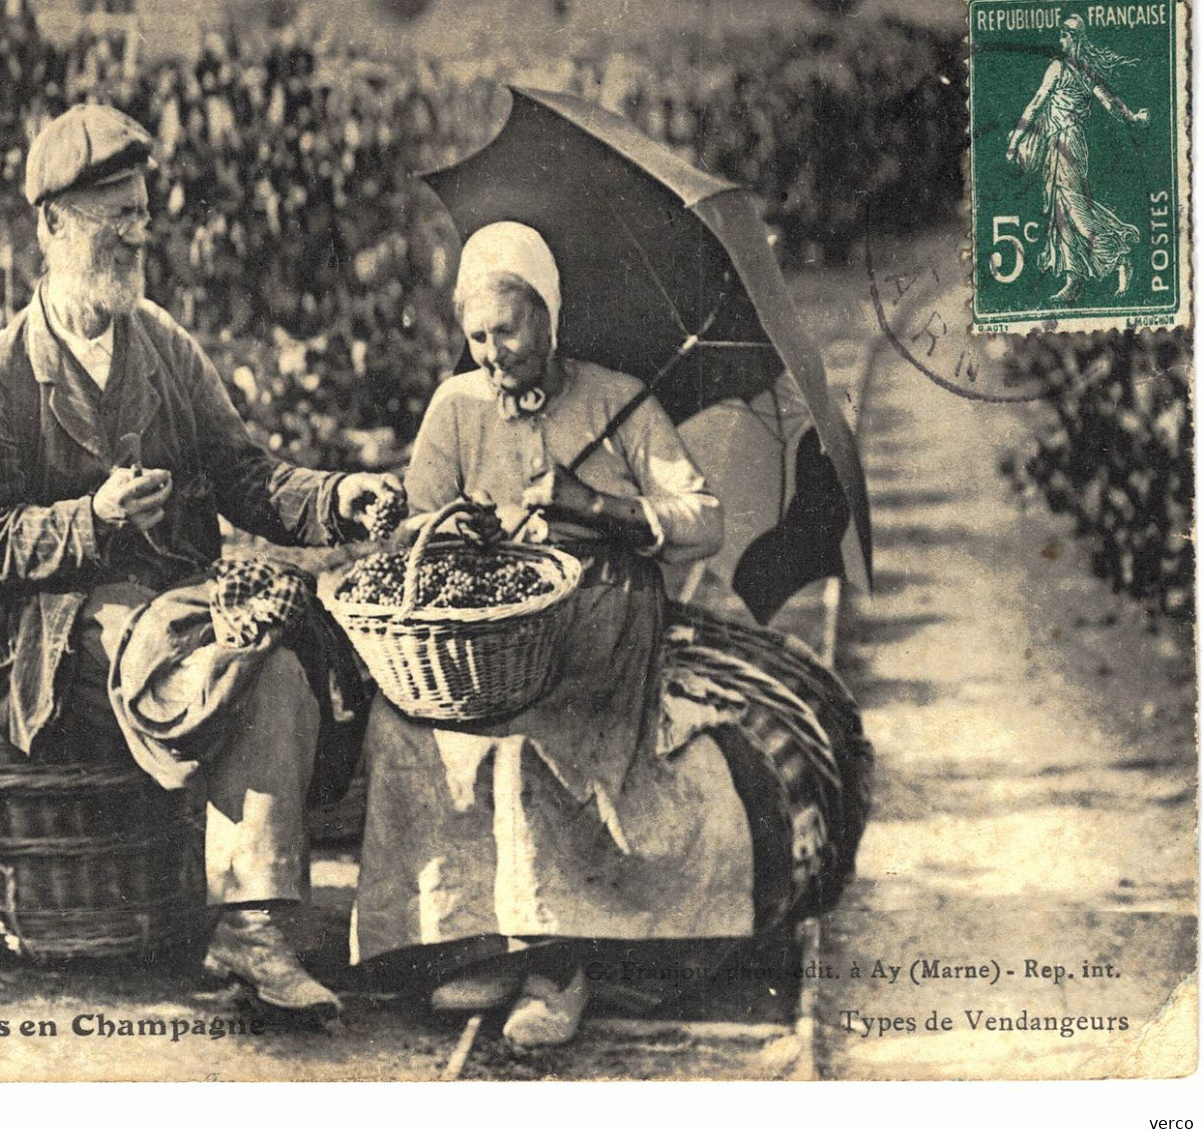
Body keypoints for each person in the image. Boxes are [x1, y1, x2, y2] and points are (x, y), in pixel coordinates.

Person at [350, 222, 869, 1050]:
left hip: (602, 618)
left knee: (534, 739)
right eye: (476, 336)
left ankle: (556, 965)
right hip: (490, 625)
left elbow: (701, 519)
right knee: (406, 726)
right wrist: (467, 530)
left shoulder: (616, 399)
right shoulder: (454, 409)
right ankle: (483, 936)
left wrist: (594, 506)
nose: (491, 352)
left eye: (508, 330)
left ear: (548, 317)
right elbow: (414, 523)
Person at [0, 104, 399, 1019]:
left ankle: (252, 932)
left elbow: (245, 474)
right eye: (113, 212)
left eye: (141, 212)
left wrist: (334, 498)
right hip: (61, 627)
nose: (137, 232)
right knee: (205, 645)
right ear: (49, 225)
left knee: (272, 661)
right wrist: (90, 517)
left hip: (180, 609)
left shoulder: (162, 345)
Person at [1006, 13, 1150, 302]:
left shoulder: (1059, 68)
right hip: (1062, 144)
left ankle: (1119, 253)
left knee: (1074, 209)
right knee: (1062, 212)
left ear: (1074, 39)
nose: (1061, 39)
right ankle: (1074, 280)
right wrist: (1131, 117)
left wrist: (1014, 141)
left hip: (1066, 143)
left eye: (1064, 35)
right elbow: (1110, 102)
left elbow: (1036, 104)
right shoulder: (1086, 71)